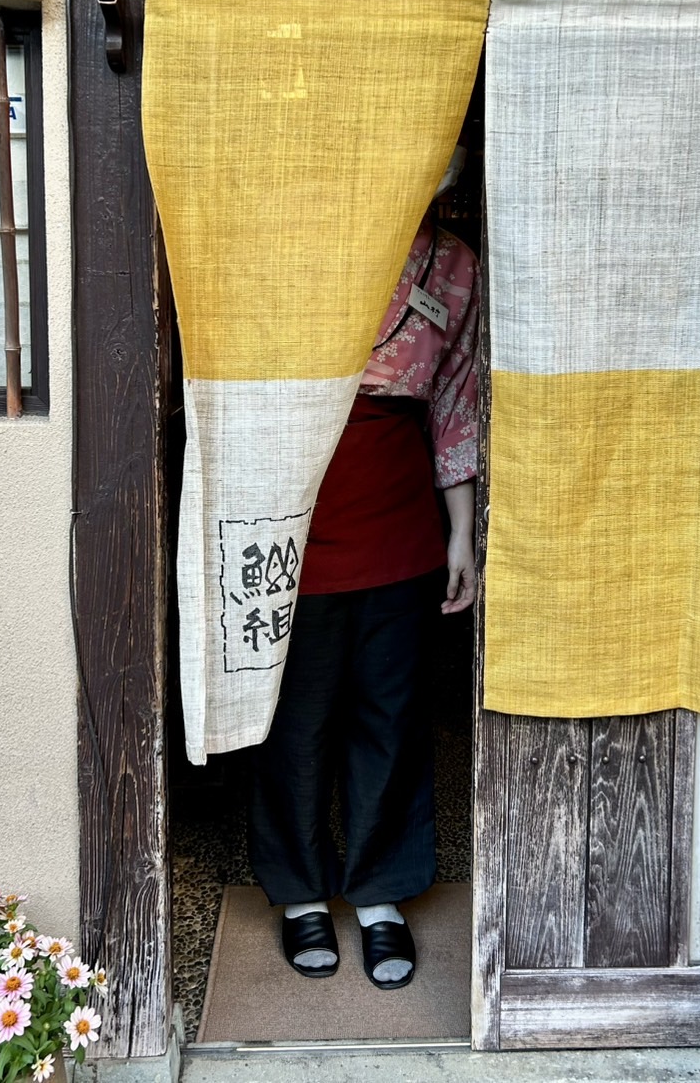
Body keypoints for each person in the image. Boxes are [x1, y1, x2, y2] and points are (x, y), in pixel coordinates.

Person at [247, 178, 480, 991]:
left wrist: (461, 533)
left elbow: (454, 401)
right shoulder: (297, 241)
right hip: (293, 508)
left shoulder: (454, 264)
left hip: (400, 512)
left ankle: (382, 894)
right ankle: (300, 891)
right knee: (297, 716)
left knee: (391, 713)